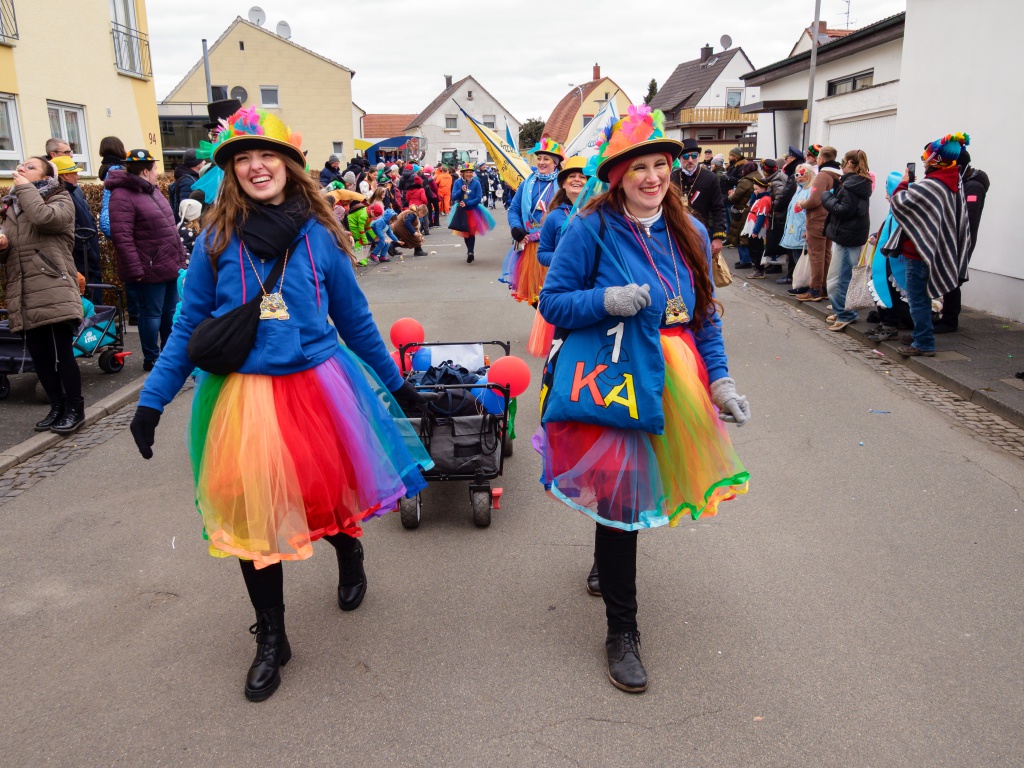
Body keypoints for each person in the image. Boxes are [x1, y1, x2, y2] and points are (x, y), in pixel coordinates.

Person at [128, 107, 431, 703]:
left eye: (266, 154)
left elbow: (355, 320)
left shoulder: (321, 235)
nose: (256, 166)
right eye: (243, 159)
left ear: (289, 164)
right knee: (252, 520)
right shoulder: (216, 240)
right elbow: (188, 327)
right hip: (242, 397)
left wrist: (397, 385)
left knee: (325, 495)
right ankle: (272, 637)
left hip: (319, 388)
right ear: (231, 172)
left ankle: (348, 549)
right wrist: (151, 401)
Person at [537, 105, 749, 694]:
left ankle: (605, 561)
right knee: (622, 503)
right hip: (616, 376)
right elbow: (552, 302)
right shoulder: (591, 228)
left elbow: (704, 317)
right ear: (617, 176)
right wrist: (607, 300)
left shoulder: (692, 231)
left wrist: (720, 382)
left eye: (660, 165)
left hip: (677, 378)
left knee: (631, 496)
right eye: (638, 168)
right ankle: (622, 632)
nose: (652, 177)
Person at [0, 156, 86, 434]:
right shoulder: (11, 207)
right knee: (39, 357)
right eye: (21, 164)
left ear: (47, 176)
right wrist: (3, 246)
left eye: (31, 166)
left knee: (60, 354)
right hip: (24, 292)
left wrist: (24, 188)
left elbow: (44, 219)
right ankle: (57, 405)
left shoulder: (59, 198)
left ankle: (75, 408)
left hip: (53, 287)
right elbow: (13, 252)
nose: (22, 168)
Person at [884, 133, 971, 356]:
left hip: (919, 254)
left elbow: (900, 203)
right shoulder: (952, 182)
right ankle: (921, 334)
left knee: (918, 300)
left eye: (926, 156)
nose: (923, 161)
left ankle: (924, 342)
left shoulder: (933, 185)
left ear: (936, 159)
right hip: (929, 251)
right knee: (922, 298)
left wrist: (904, 183)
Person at [106, 149, 188, 369]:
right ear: (145, 171)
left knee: (170, 312)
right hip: (148, 267)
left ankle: (168, 354)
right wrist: (136, 269)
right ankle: (151, 357)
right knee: (151, 313)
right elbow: (122, 237)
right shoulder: (122, 195)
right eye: (155, 169)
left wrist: (181, 258)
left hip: (169, 264)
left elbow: (170, 228)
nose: (157, 172)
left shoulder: (153, 190)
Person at [528, 155, 589, 357]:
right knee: (564, 344)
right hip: (563, 285)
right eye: (571, 176)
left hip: (592, 285)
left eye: (582, 176)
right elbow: (542, 254)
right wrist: (563, 259)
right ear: (563, 183)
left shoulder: (598, 212)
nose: (577, 179)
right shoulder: (554, 216)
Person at [934, 147, 988, 333]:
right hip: (954, 238)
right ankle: (947, 316)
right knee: (949, 276)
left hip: (961, 240)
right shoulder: (963, 181)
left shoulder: (974, 186)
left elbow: (969, 218)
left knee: (953, 278)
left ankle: (950, 321)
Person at [505, 138, 563, 302]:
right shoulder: (527, 183)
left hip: (553, 246)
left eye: (546, 159)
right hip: (530, 247)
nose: (541, 162)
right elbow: (514, 209)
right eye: (539, 158)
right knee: (534, 295)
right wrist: (516, 227)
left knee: (553, 294)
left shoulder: (562, 184)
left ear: (555, 163)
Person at [821, 149, 873, 331]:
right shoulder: (860, 183)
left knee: (837, 279)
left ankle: (845, 314)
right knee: (844, 277)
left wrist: (826, 198)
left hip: (846, 235)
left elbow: (843, 210)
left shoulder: (851, 185)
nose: (841, 166)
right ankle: (842, 310)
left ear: (850, 163)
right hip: (850, 235)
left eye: (843, 162)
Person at [52, 155, 103, 304]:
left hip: (89, 257)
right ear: (65, 176)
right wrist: (90, 253)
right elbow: (75, 230)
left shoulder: (75, 191)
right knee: (88, 302)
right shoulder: (62, 196)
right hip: (82, 260)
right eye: (74, 172)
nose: (78, 176)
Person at [795, 146, 841, 303]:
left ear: (821, 159)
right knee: (826, 254)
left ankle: (815, 289)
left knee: (816, 255)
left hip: (818, 219)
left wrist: (802, 203)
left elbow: (814, 200)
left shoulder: (823, 175)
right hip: (830, 218)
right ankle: (824, 287)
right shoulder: (837, 174)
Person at [669, 139, 727, 256]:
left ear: (699, 156)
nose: (690, 160)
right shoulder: (671, 178)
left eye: (694, 156)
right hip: (676, 233)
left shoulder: (710, 178)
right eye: (686, 156)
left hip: (701, 233)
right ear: (679, 158)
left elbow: (718, 208)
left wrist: (718, 237)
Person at [779, 163, 816, 289]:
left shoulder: (810, 190)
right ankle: (800, 284)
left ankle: (804, 285)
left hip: (801, 232)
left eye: (802, 174)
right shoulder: (799, 189)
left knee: (803, 261)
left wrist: (807, 229)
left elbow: (810, 213)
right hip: (795, 231)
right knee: (797, 259)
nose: (799, 177)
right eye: (797, 174)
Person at [448, 163, 494, 263]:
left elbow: (478, 198)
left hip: (473, 210)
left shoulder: (476, 183)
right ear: (462, 173)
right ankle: (469, 250)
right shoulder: (457, 182)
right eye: (467, 172)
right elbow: (454, 197)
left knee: (471, 231)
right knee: (465, 231)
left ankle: (470, 252)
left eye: (470, 172)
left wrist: (467, 203)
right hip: (461, 210)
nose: (469, 174)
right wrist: (461, 191)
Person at [727, 161, 762, 268]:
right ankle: (750, 259)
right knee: (750, 235)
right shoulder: (759, 178)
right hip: (754, 210)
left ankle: (745, 260)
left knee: (741, 235)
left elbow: (735, 198)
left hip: (742, 211)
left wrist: (730, 195)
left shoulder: (745, 181)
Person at [759, 158, 787, 274]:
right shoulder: (773, 179)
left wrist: (771, 206)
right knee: (772, 239)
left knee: (775, 239)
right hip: (774, 214)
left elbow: (779, 197)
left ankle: (776, 265)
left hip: (776, 215)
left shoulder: (776, 181)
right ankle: (772, 263)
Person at [741, 177, 772, 278]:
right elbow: (751, 204)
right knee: (753, 247)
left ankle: (759, 269)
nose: (755, 191)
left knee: (756, 249)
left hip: (757, 226)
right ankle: (757, 268)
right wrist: (754, 195)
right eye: (754, 189)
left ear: (763, 189)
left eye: (757, 189)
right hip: (753, 224)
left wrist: (755, 231)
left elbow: (761, 216)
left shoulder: (765, 200)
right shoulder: (759, 198)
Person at [169, 149, 204, 214]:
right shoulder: (187, 181)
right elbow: (187, 209)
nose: (204, 162)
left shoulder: (193, 177)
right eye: (202, 160)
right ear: (197, 164)